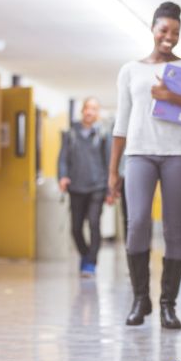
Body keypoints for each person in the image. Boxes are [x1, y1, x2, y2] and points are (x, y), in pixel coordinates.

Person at [109, 2, 181, 330]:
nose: (169, 37)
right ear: (153, 29)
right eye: (163, 30)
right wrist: (112, 170)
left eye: (175, 32)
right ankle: (140, 298)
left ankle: (168, 305)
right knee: (138, 221)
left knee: (173, 228)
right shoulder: (130, 70)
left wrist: (171, 96)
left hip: (177, 156)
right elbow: (120, 123)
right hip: (139, 153)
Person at [58, 97, 110, 277]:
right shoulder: (70, 133)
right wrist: (62, 176)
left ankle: (91, 263)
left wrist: (110, 188)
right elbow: (63, 158)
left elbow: (109, 161)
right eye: (87, 108)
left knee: (94, 223)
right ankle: (85, 255)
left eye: (94, 109)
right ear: (82, 111)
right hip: (76, 186)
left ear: (98, 113)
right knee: (76, 228)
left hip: (98, 186)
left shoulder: (103, 134)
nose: (89, 112)